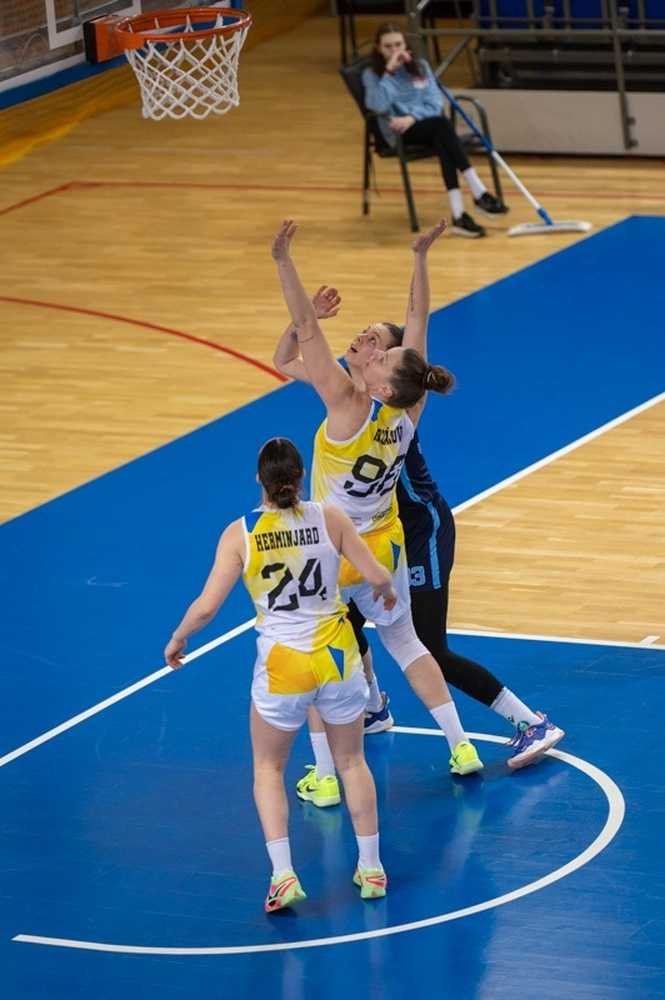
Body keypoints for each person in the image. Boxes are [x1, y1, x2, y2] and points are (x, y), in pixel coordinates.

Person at [273, 220, 565, 805]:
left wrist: (284, 261)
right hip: (381, 541)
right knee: (375, 634)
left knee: (403, 645)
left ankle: (519, 721)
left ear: (385, 379)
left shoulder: (348, 403)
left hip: (398, 530)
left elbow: (311, 331)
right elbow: (416, 320)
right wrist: (420, 256)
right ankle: (381, 712)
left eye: (382, 349)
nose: (373, 346)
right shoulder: (407, 406)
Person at [164, 437, 395, 910]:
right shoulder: (330, 517)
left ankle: (283, 875)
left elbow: (206, 608)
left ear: (259, 479)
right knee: (353, 763)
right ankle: (372, 868)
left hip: (283, 666)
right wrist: (387, 592)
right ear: (301, 476)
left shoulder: (239, 534)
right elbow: (376, 575)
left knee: (268, 769)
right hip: (338, 657)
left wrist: (179, 637)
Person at [362, 23, 508, 239]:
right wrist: (389, 72)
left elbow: (435, 102)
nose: (394, 51)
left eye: (398, 45)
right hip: (398, 132)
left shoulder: (420, 67)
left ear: (405, 44)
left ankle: (459, 215)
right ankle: (479, 192)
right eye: (388, 47)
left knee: (443, 136)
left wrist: (412, 117)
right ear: (378, 48)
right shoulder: (372, 75)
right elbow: (378, 105)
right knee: (442, 126)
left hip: (424, 124)